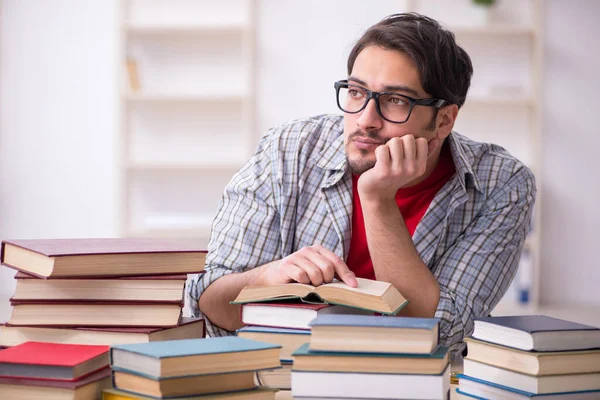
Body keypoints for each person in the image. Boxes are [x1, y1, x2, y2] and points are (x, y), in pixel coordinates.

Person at [186, 12, 536, 356]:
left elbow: (441, 335)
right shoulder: (289, 148)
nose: (365, 121)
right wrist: (267, 278)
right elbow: (207, 305)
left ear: (443, 120)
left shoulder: (501, 184)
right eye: (356, 92)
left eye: (395, 100)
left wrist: (378, 199)